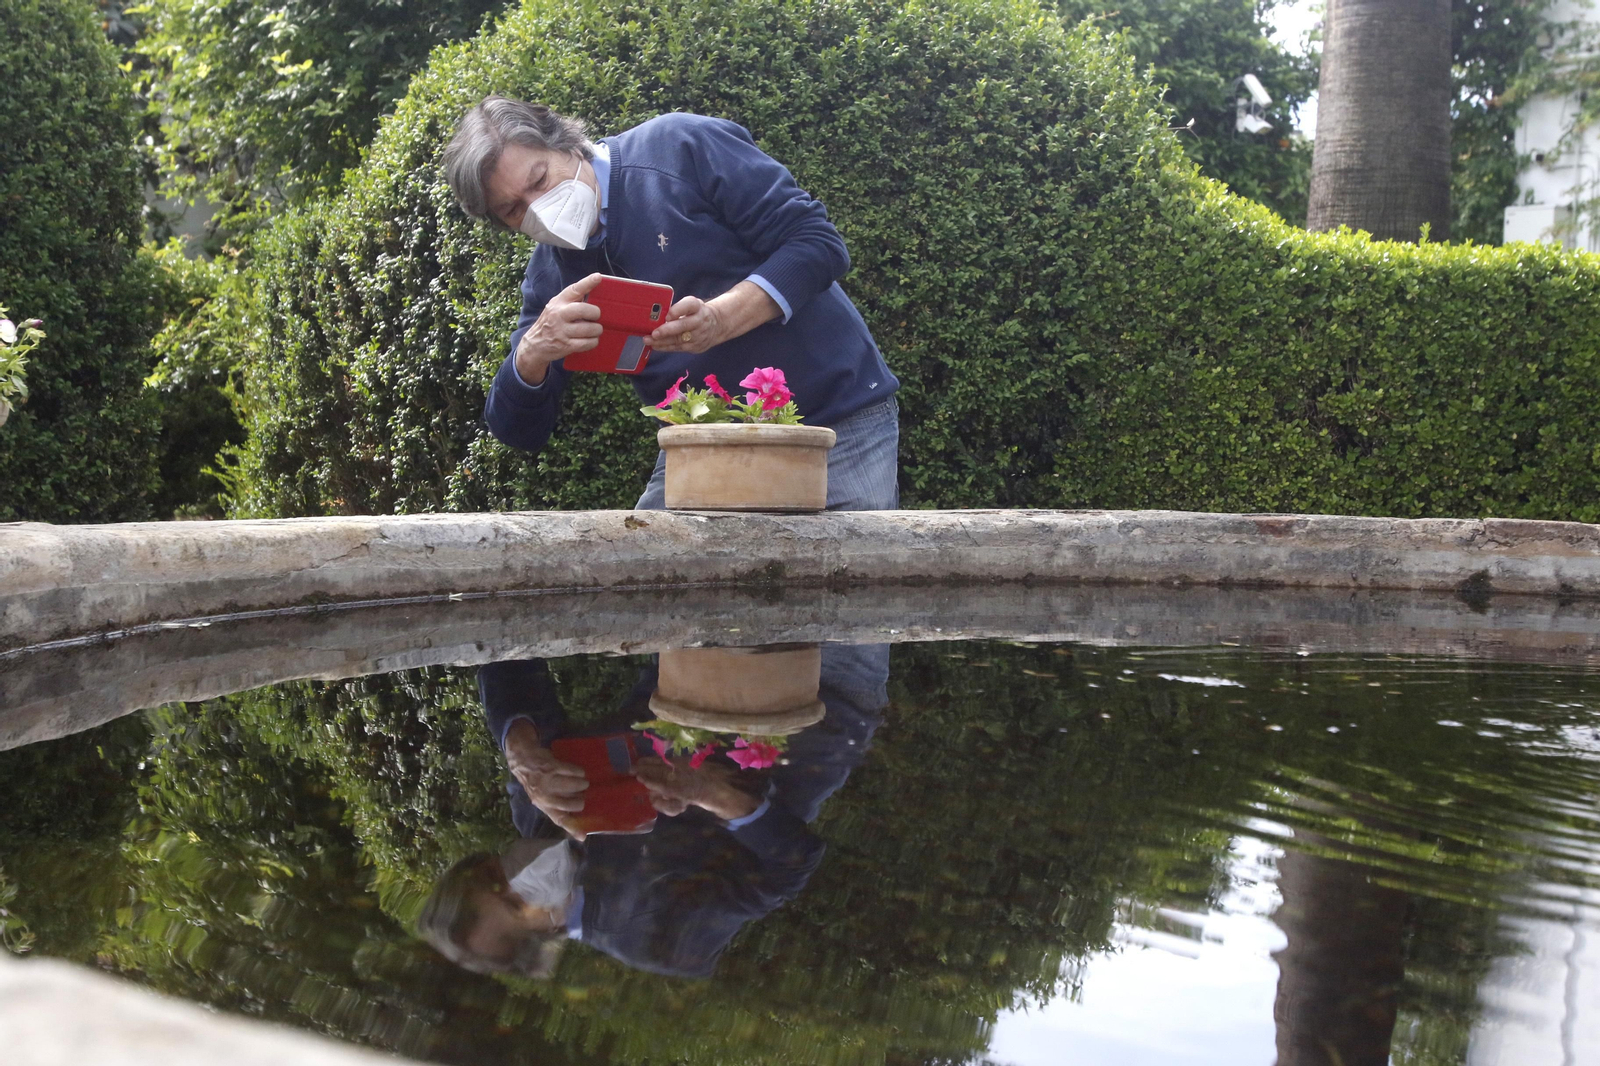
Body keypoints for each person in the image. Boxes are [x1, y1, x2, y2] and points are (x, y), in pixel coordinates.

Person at [441, 97, 901, 511]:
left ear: (564, 142)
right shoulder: (551, 274)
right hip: (702, 446)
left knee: (849, 584)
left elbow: (817, 243)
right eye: (514, 210)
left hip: (837, 423)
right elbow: (518, 431)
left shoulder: (678, 145)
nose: (538, 207)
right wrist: (533, 352)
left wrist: (721, 318)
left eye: (540, 179)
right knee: (649, 578)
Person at [416, 644, 889, 978]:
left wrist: (517, 741)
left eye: (493, 876)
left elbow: (509, 647)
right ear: (548, 931)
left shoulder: (543, 805)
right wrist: (713, 795)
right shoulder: (655, 939)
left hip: (699, 638)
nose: (517, 877)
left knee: (683, 508)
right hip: (819, 692)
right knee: (860, 514)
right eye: (516, 902)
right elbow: (794, 862)